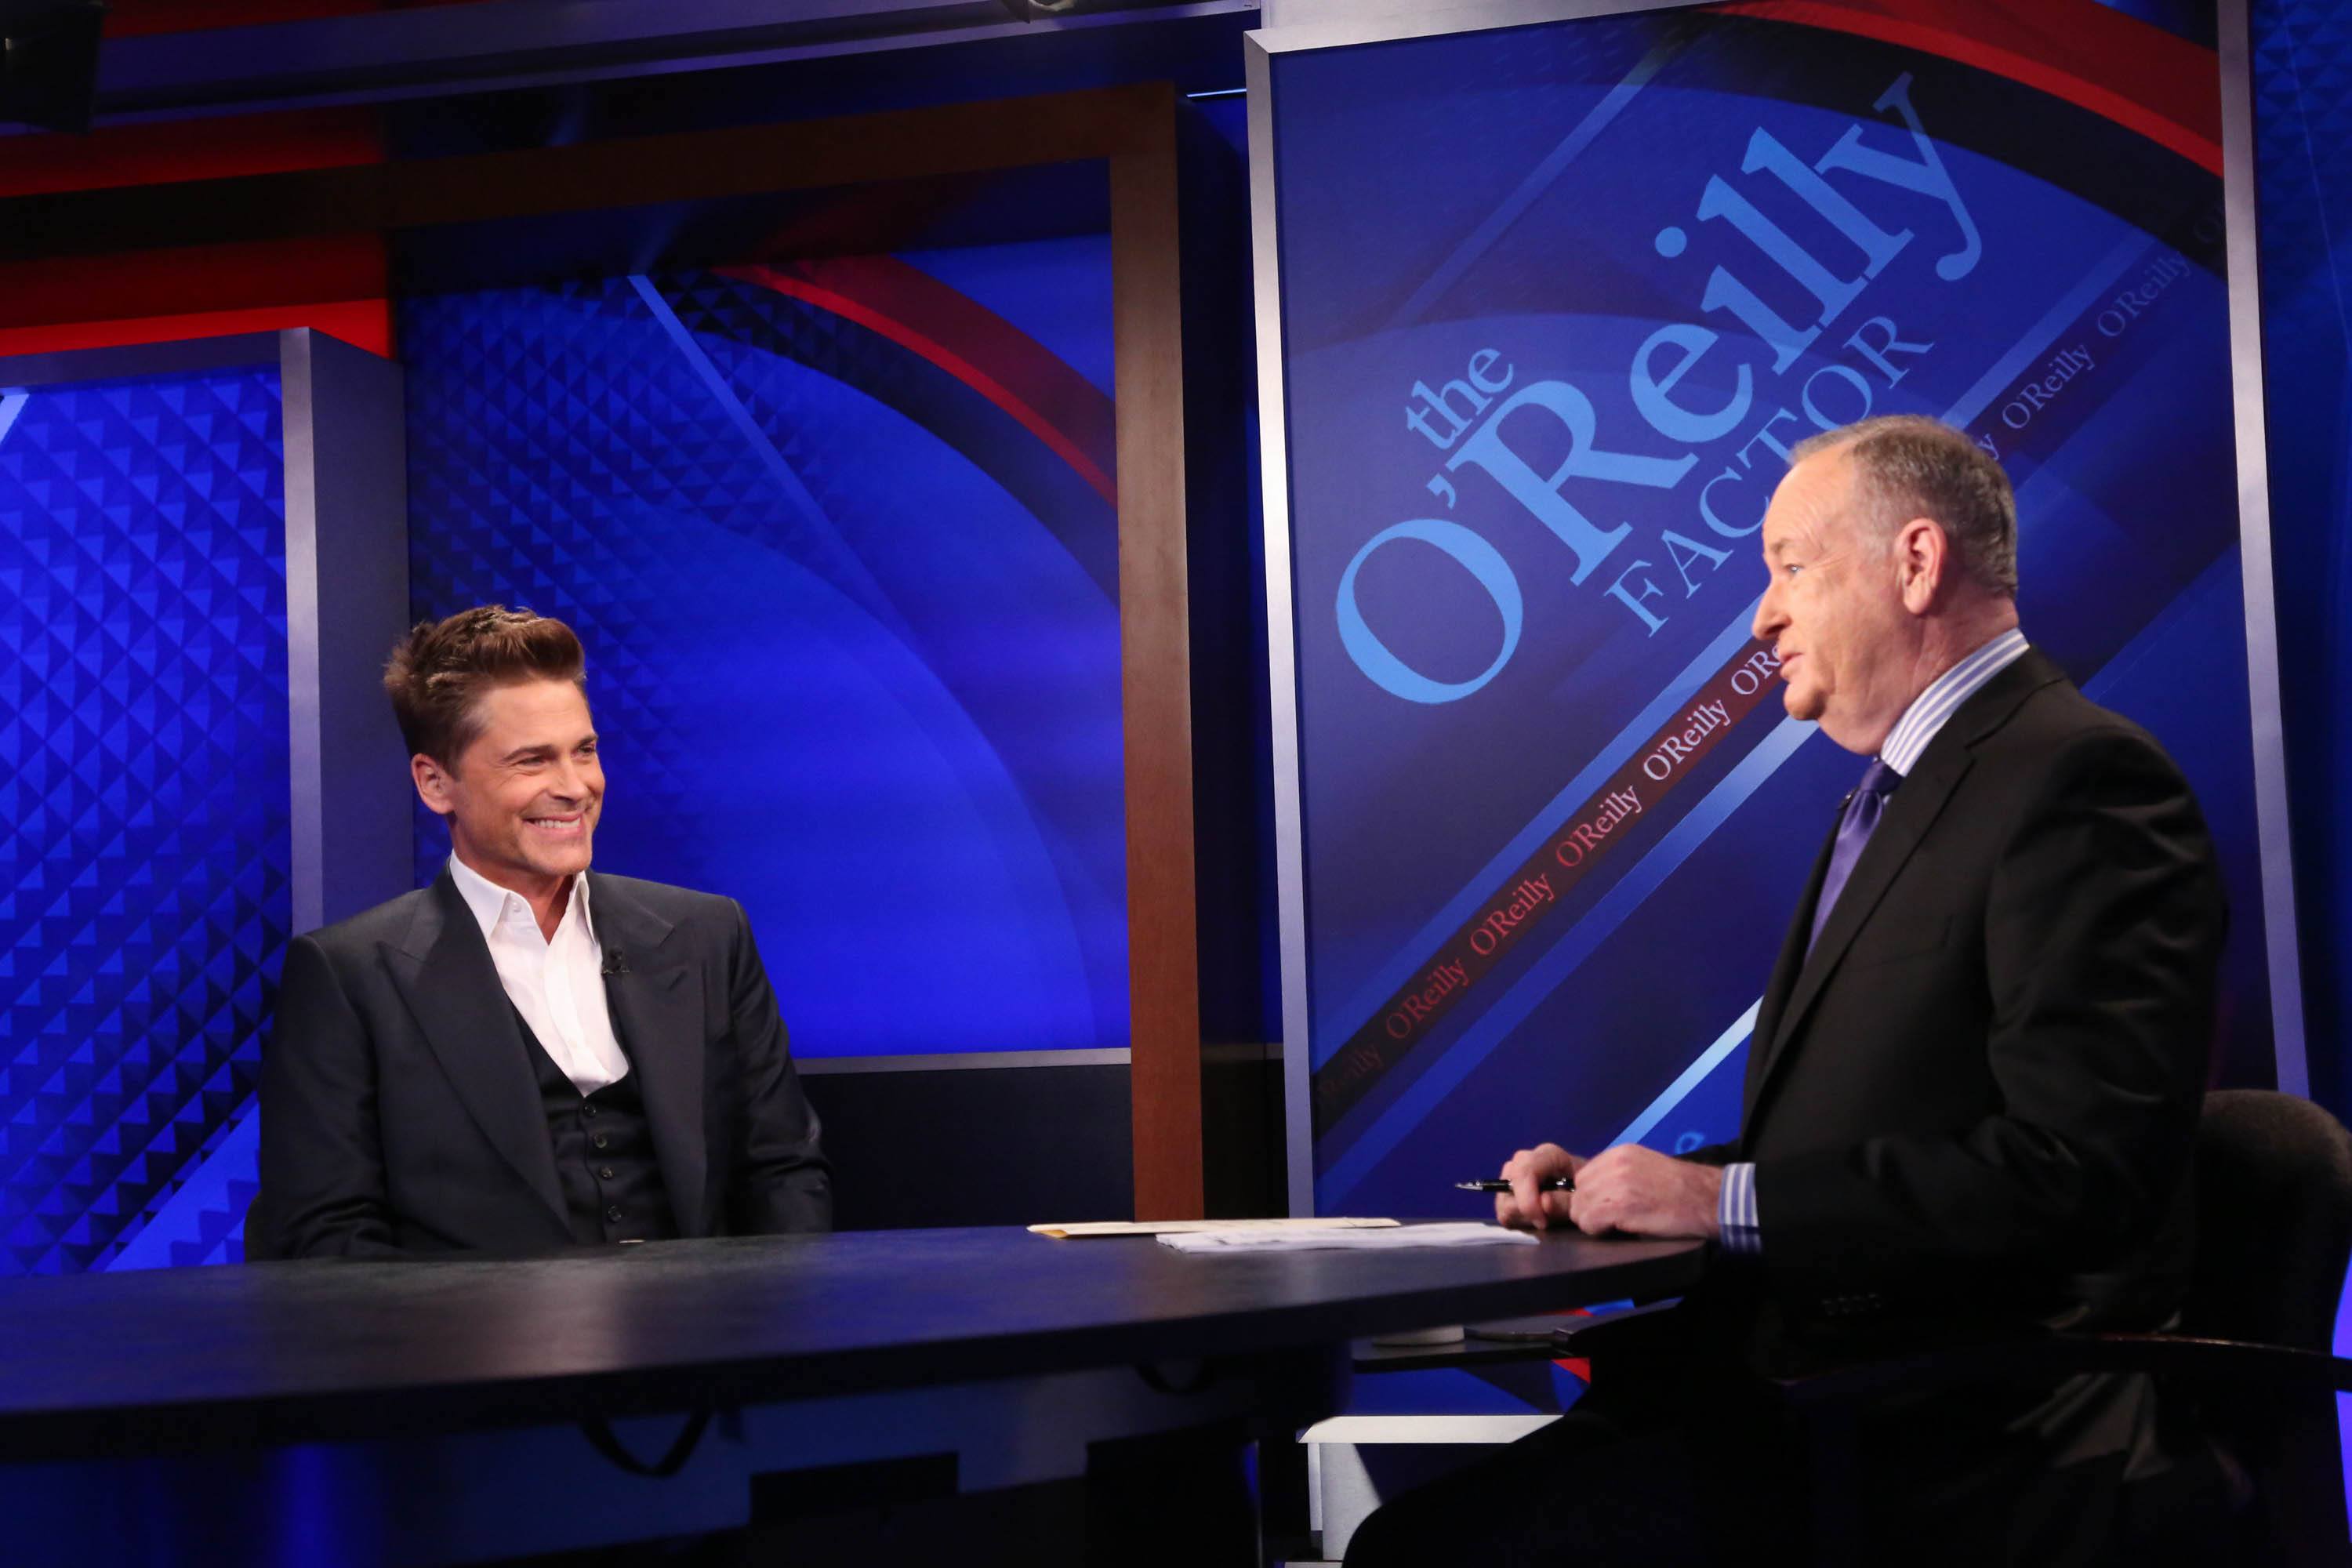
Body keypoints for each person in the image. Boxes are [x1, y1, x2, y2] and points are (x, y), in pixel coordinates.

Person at [1345, 416, 2232, 1565]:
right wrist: (1634, 1187)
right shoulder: (1899, 793)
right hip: (1801, 1397)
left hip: (1951, 1435)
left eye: (1792, 568)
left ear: (1916, 564)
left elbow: (2077, 1174)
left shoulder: (2079, 781)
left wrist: (1718, 1203)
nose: (1762, 616)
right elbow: (1875, 1134)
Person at [258, 606, 831, 1258]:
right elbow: (325, 1236)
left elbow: (783, 1171)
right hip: (470, 1324)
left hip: (710, 1318)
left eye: (584, 751)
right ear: (435, 783)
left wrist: (763, 1310)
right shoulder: (350, 976)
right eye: (532, 761)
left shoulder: (707, 935)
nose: (575, 787)